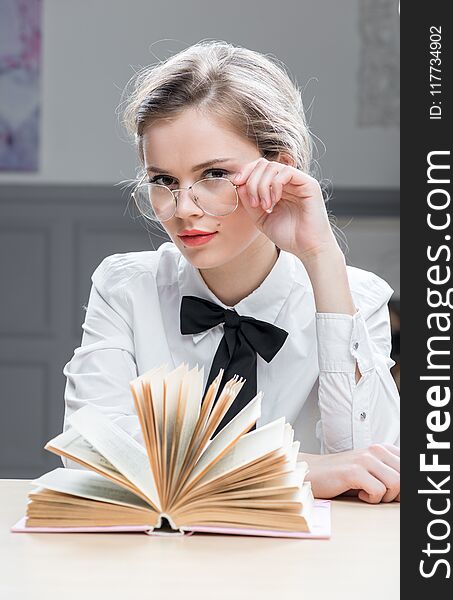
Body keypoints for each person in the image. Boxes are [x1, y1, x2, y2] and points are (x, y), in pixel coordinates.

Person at [62, 40, 400, 504]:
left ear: (278, 168)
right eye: (163, 181)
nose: (183, 209)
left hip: (308, 568)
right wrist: (293, 467)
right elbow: (92, 455)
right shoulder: (126, 288)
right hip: (154, 561)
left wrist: (321, 254)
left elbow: (371, 471)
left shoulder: (356, 294)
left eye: (214, 174)